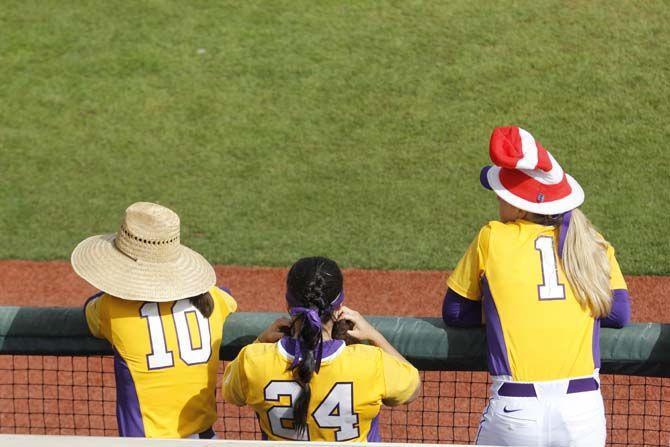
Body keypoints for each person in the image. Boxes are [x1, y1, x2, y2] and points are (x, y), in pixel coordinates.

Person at [442, 126, 630, 447]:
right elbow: (619, 314)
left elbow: (455, 311)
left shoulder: (493, 237)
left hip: (516, 413)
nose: (498, 200)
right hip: (583, 413)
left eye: (502, 193)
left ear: (519, 206)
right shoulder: (592, 242)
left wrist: (503, 311)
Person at [71, 202, 237, 438]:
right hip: (205, 440)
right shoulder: (215, 300)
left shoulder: (111, 307)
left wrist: (117, 286)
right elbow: (227, 297)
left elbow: (90, 310)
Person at [222, 256, 421, 442]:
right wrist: (375, 335)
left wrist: (259, 341)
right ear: (339, 306)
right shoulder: (372, 363)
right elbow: (413, 389)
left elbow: (231, 394)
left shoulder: (252, 360)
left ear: (288, 304)